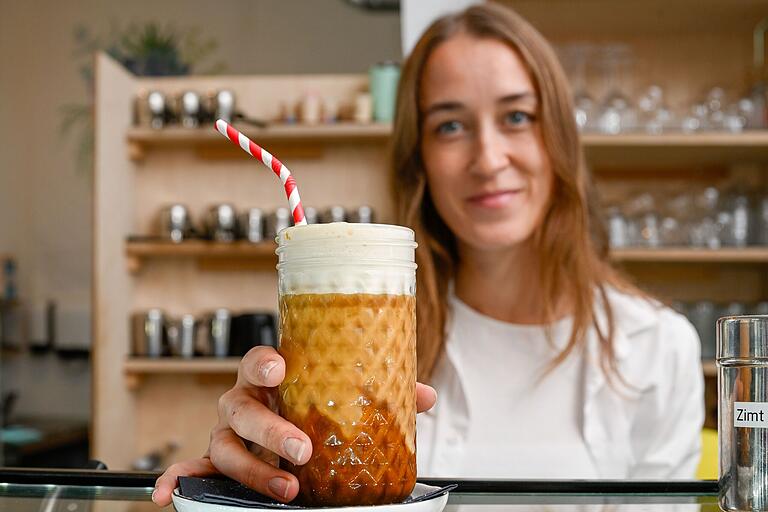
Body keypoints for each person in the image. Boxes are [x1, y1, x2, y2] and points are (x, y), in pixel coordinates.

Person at [152, 3, 703, 506]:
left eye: (516, 117)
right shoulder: (359, 338)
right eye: (451, 126)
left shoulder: (658, 348)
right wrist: (258, 480)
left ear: (557, 137)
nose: (488, 159)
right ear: (419, 161)